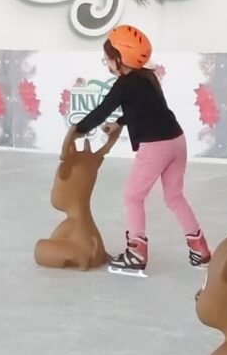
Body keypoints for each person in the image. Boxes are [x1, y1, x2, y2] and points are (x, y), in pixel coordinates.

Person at [75, 25, 211, 277]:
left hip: (155, 145)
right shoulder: (147, 77)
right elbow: (146, 108)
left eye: (108, 57)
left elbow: (102, 110)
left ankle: (136, 253)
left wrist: (78, 129)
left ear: (120, 58)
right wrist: (120, 123)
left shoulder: (124, 84)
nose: (106, 62)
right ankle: (199, 249)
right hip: (176, 141)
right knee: (174, 196)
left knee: (132, 196)